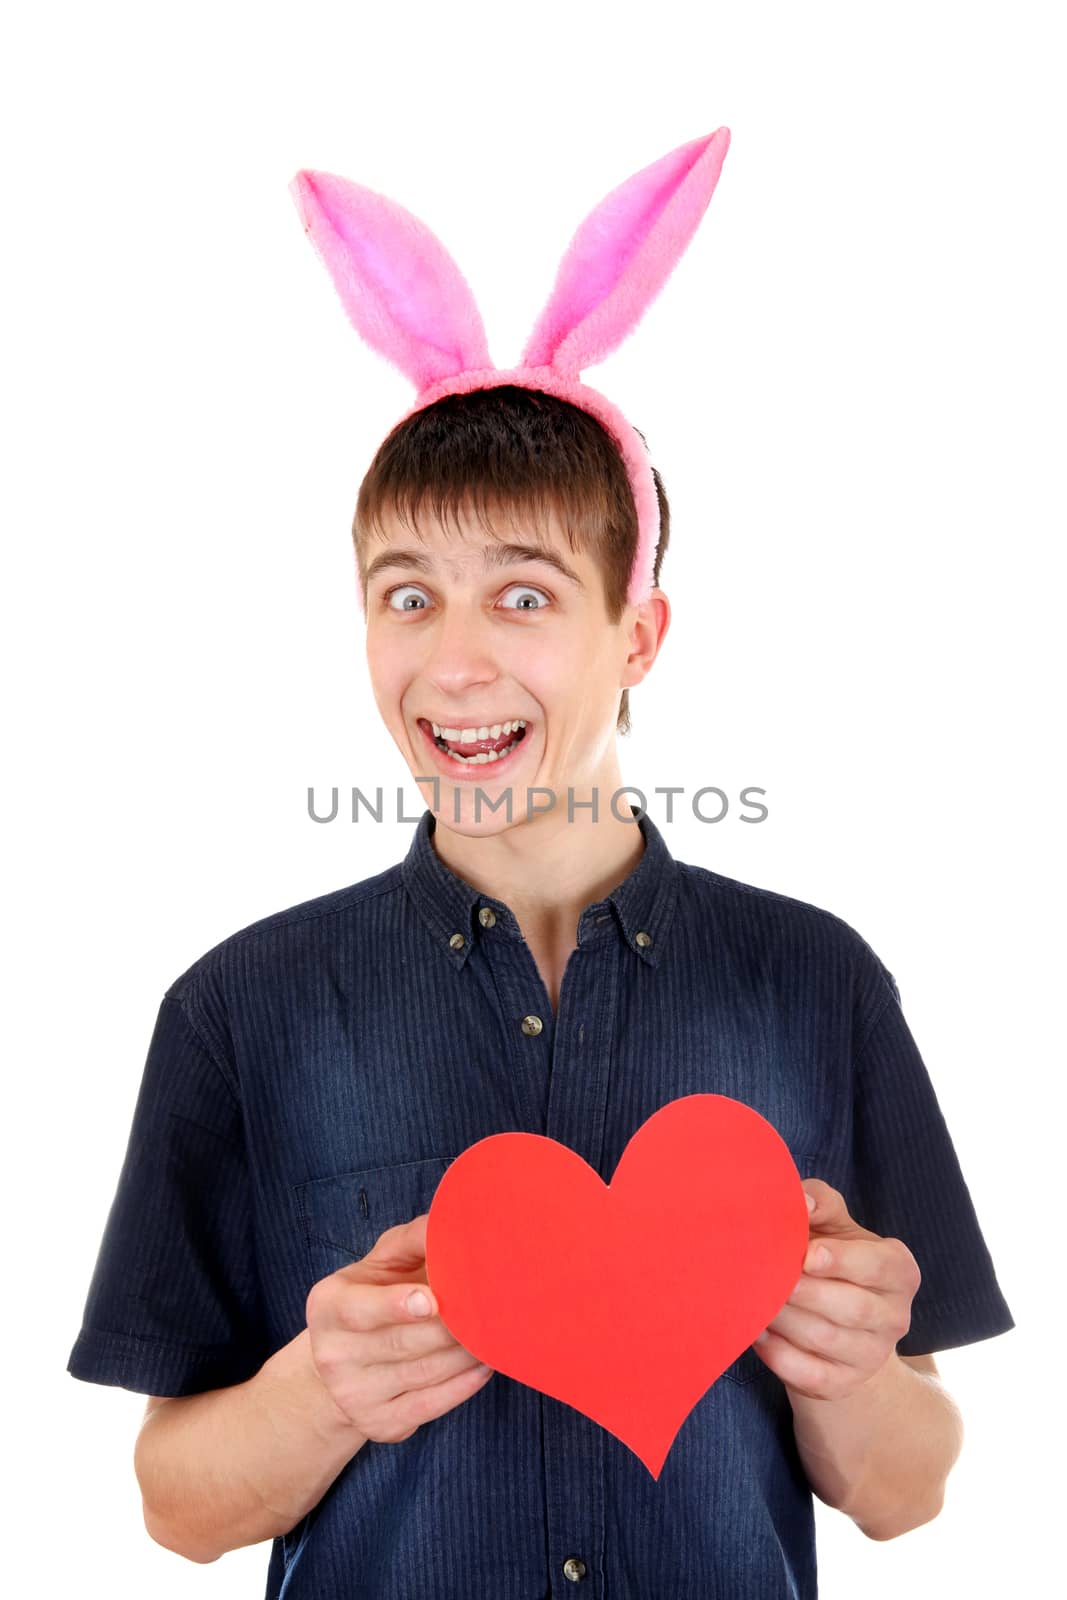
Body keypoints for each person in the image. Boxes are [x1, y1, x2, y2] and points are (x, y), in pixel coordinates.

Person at [67, 137, 1014, 1599]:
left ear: (637, 635)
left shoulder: (815, 982)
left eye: (523, 592)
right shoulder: (238, 1008)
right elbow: (176, 1508)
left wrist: (851, 1378)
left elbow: (907, 1491)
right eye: (406, 596)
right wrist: (321, 1388)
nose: (454, 664)